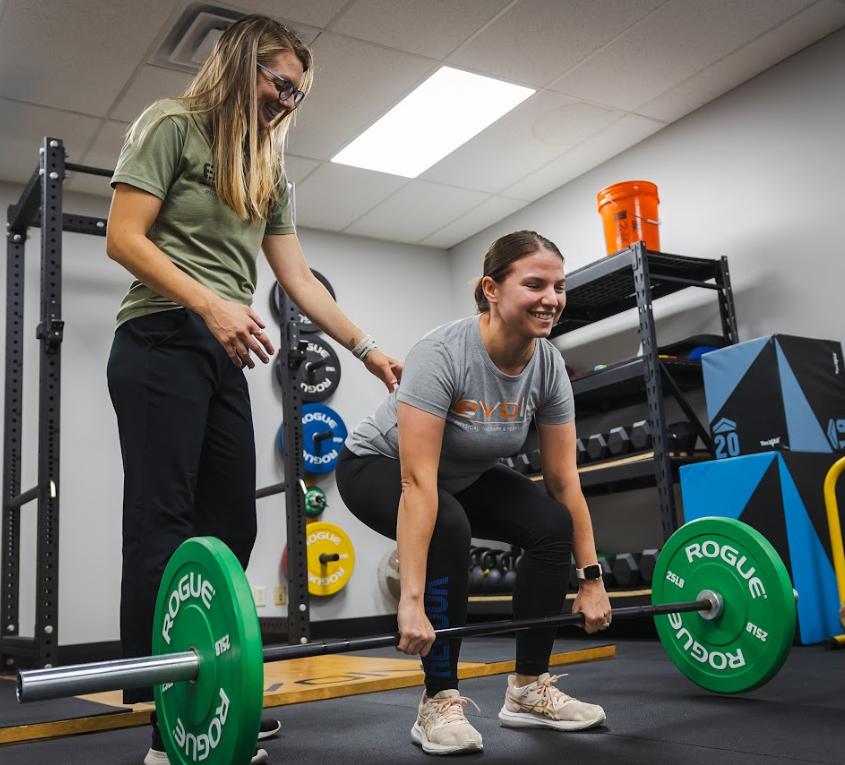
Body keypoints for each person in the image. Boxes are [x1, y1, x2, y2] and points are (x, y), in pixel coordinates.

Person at [105, 15, 401, 765]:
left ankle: (213, 685)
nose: (287, 101)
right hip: (159, 338)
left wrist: (366, 349)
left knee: (231, 528)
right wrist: (209, 300)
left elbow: (297, 280)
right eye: (280, 83)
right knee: (160, 527)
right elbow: (124, 237)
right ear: (241, 64)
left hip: (221, 349)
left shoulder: (267, 169)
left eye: (298, 93)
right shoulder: (172, 124)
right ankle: (163, 716)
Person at [336, 230, 611, 755]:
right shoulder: (442, 354)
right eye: (534, 284)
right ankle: (438, 699)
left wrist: (591, 578)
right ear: (492, 288)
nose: (551, 299)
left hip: (463, 474)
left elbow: (562, 480)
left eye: (559, 286)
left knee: (551, 526)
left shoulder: (548, 366)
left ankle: (528, 689)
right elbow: (417, 483)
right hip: (377, 465)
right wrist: (410, 603)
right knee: (448, 524)